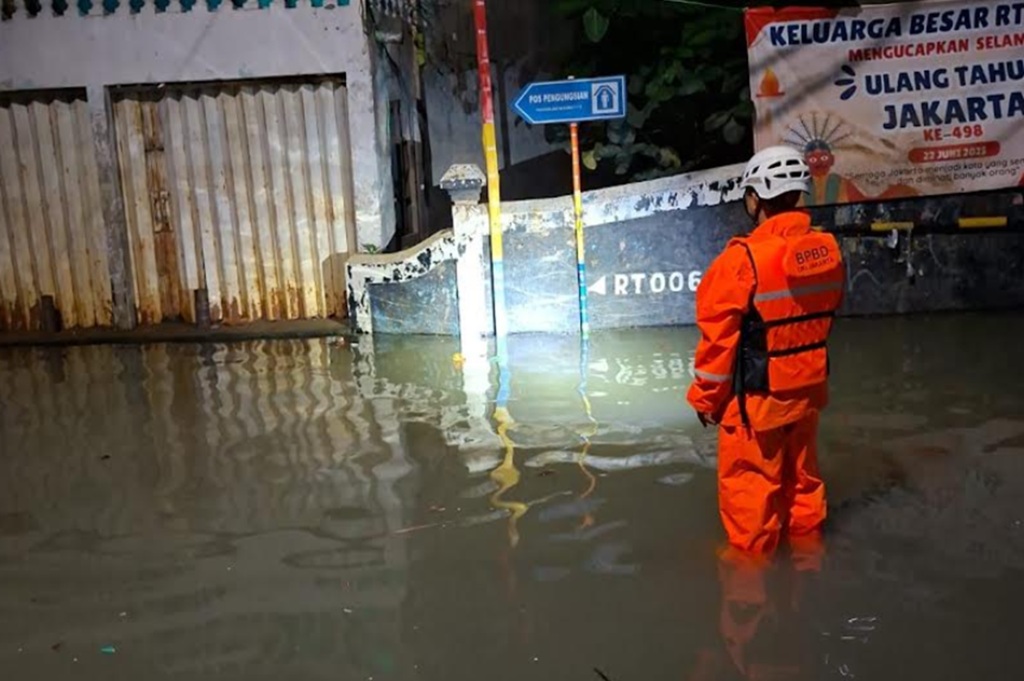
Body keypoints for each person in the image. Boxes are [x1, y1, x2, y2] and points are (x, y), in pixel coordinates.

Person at [687, 146, 845, 556]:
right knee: (803, 485)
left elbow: (717, 343)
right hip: (808, 391)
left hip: (756, 403)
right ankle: (810, 566)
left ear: (755, 197)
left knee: (750, 497)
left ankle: (748, 590)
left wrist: (705, 399)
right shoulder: (827, 248)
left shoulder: (741, 262)